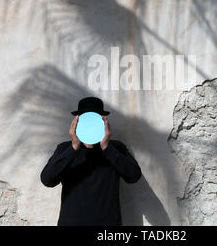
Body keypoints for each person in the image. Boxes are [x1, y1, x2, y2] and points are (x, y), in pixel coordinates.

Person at [40, 97, 142, 226]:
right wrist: (73, 147)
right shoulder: (65, 149)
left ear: (103, 122)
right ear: (76, 123)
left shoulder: (116, 148)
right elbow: (47, 180)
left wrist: (107, 147)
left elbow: (134, 176)